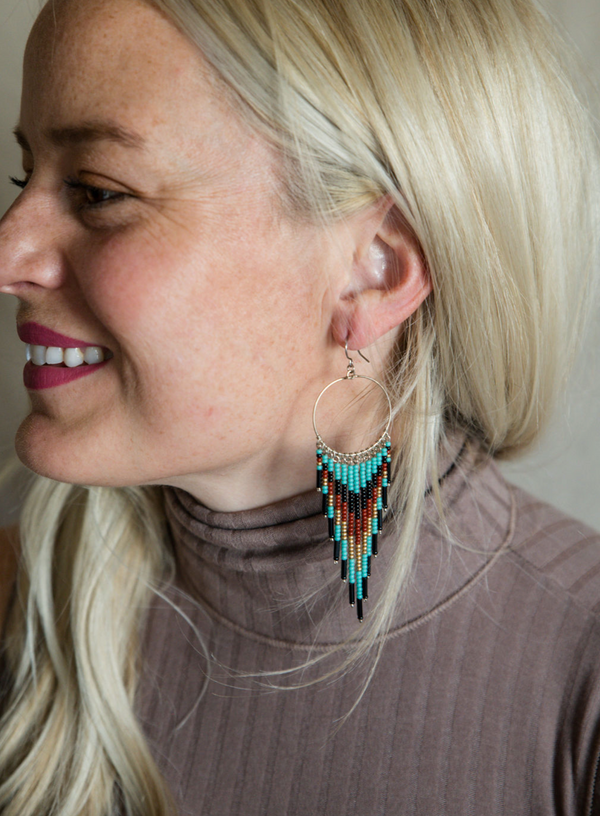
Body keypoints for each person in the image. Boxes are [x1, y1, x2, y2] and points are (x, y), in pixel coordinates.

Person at [0, 0, 599, 813]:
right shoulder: (17, 618)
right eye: (22, 177)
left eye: (99, 192)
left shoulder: (579, 685)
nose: (10, 253)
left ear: (374, 271)